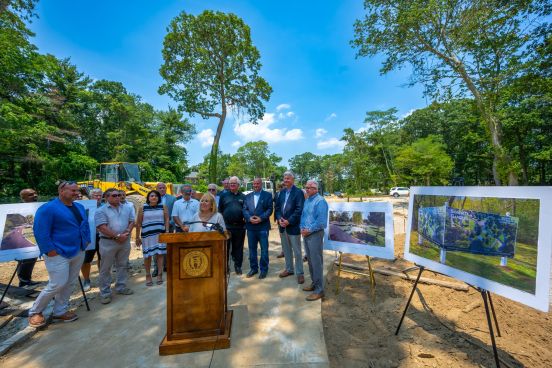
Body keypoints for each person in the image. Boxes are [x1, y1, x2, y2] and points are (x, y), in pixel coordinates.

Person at [28, 181, 91, 328]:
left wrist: (86, 240)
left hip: (78, 250)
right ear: (62, 190)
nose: (77, 193)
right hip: (58, 253)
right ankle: (35, 311)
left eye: (77, 190)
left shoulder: (80, 207)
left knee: (70, 283)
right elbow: (40, 232)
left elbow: (84, 225)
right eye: (73, 190)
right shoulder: (48, 209)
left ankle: (60, 311)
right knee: (58, 283)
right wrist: (50, 250)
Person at [95, 188, 135, 305]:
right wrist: (118, 236)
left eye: (119, 195)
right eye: (114, 195)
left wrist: (127, 232)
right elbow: (102, 227)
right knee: (105, 268)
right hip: (108, 242)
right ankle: (105, 293)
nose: (118, 197)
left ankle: (121, 287)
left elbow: (132, 221)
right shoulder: (101, 211)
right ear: (106, 197)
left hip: (124, 241)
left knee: (122, 265)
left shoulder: (127, 208)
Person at [274, 171, 305, 284]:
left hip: (293, 227)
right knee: (286, 250)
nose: (286, 180)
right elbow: (277, 208)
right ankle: (289, 269)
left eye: (288, 178)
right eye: (284, 178)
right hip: (282, 226)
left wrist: (289, 221)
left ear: (293, 180)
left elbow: (299, 209)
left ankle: (300, 273)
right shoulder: (281, 193)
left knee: (297, 251)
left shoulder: (298, 192)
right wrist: (279, 218)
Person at [300, 180, 328, 301]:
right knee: (310, 261)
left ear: (315, 189)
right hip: (306, 234)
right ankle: (314, 283)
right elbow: (303, 216)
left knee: (316, 262)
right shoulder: (307, 200)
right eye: (306, 187)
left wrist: (309, 230)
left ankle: (319, 290)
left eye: (309, 187)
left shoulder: (320, 201)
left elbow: (321, 222)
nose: (307, 189)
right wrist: (301, 228)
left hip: (315, 235)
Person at [135, 190, 169, 286]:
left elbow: (166, 219)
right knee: (147, 256)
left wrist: (166, 231)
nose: (154, 197)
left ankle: (159, 275)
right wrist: (137, 237)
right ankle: (148, 275)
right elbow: (138, 223)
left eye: (156, 196)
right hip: (147, 236)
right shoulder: (143, 208)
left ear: (158, 198)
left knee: (160, 255)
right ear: (148, 197)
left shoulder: (163, 207)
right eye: (152, 196)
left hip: (160, 234)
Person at [243, 178, 273, 279]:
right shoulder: (247, 196)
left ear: (261, 184)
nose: (256, 185)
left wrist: (261, 218)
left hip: (263, 227)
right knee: (252, 249)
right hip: (251, 227)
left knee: (264, 250)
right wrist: (249, 218)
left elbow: (270, 209)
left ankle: (264, 269)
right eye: (254, 184)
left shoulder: (268, 195)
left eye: (258, 183)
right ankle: (254, 268)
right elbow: (245, 209)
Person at [218, 176, 246, 275]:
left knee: (238, 248)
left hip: (239, 227)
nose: (232, 185)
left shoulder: (243, 197)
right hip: (227, 227)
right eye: (231, 183)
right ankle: (225, 267)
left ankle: (238, 266)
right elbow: (220, 211)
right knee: (225, 248)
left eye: (234, 183)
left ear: (238, 185)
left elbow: (246, 211)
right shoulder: (223, 196)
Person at [80, 188, 103, 291]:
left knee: (102, 258)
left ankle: (102, 277)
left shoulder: (105, 206)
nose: (98, 197)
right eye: (95, 195)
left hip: (102, 236)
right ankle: (86, 280)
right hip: (89, 237)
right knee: (86, 260)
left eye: (99, 195)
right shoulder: (84, 206)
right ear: (90, 196)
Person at [17, 188, 40, 287]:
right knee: (24, 260)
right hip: (24, 239)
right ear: (23, 198)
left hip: (35, 238)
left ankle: (27, 279)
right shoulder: (19, 209)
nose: (35, 195)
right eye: (31, 195)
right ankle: (24, 282)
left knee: (32, 258)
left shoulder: (38, 207)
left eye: (35, 193)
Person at [152, 182, 176, 277]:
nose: (162, 189)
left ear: (166, 189)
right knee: (155, 247)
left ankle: (166, 266)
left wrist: (170, 223)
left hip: (168, 227)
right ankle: (156, 268)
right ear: (157, 189)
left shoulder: (172, 199)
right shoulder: (153, 198)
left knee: (167, 247)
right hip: (156, 228)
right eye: (160, 188)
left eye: (163, 188)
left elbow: (174, 213)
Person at [273, 182, 285, 259]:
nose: (281, 188)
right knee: (282, 236)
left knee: (289, 236)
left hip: (288, 219)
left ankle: (288, 251)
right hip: (279, 219)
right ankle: (284, 251)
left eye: (282, 186)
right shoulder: (277, 194)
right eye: (280, 187)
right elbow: (276, 206)